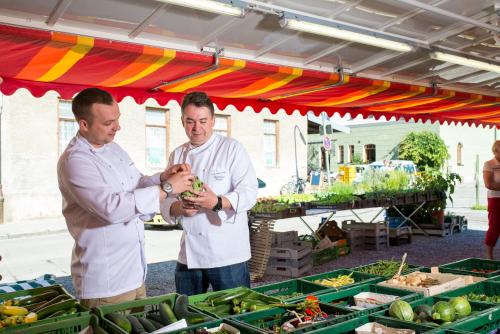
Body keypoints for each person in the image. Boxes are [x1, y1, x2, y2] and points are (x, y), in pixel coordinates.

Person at [57, 88, 194, 307]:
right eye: (109, 122)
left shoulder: (113, 148)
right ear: (84, 124)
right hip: (107, 280)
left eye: (117, 119)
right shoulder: (75, 161)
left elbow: (136, 184)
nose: (117, 127)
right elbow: (111, 208)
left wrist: (163, 177)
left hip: (135, 272)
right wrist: (167, 188)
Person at [160, 91, 258, 295]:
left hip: (227, 254)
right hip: (189, 254)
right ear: (182, 121)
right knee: (189, 316)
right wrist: (180, 207)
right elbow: (166, 200)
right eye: (190, 121)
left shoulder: (232, 149)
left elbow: (249, 193)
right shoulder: (177, 154)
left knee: (237, 316)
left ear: (213, 120)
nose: (197, 128)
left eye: (203, 120)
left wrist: (217, 202)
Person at [484, 140, 500, 259]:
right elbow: (488, 184)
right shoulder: (489, 164)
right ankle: (489, 254)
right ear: (495, 151)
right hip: (495, 199)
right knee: (494, 226)